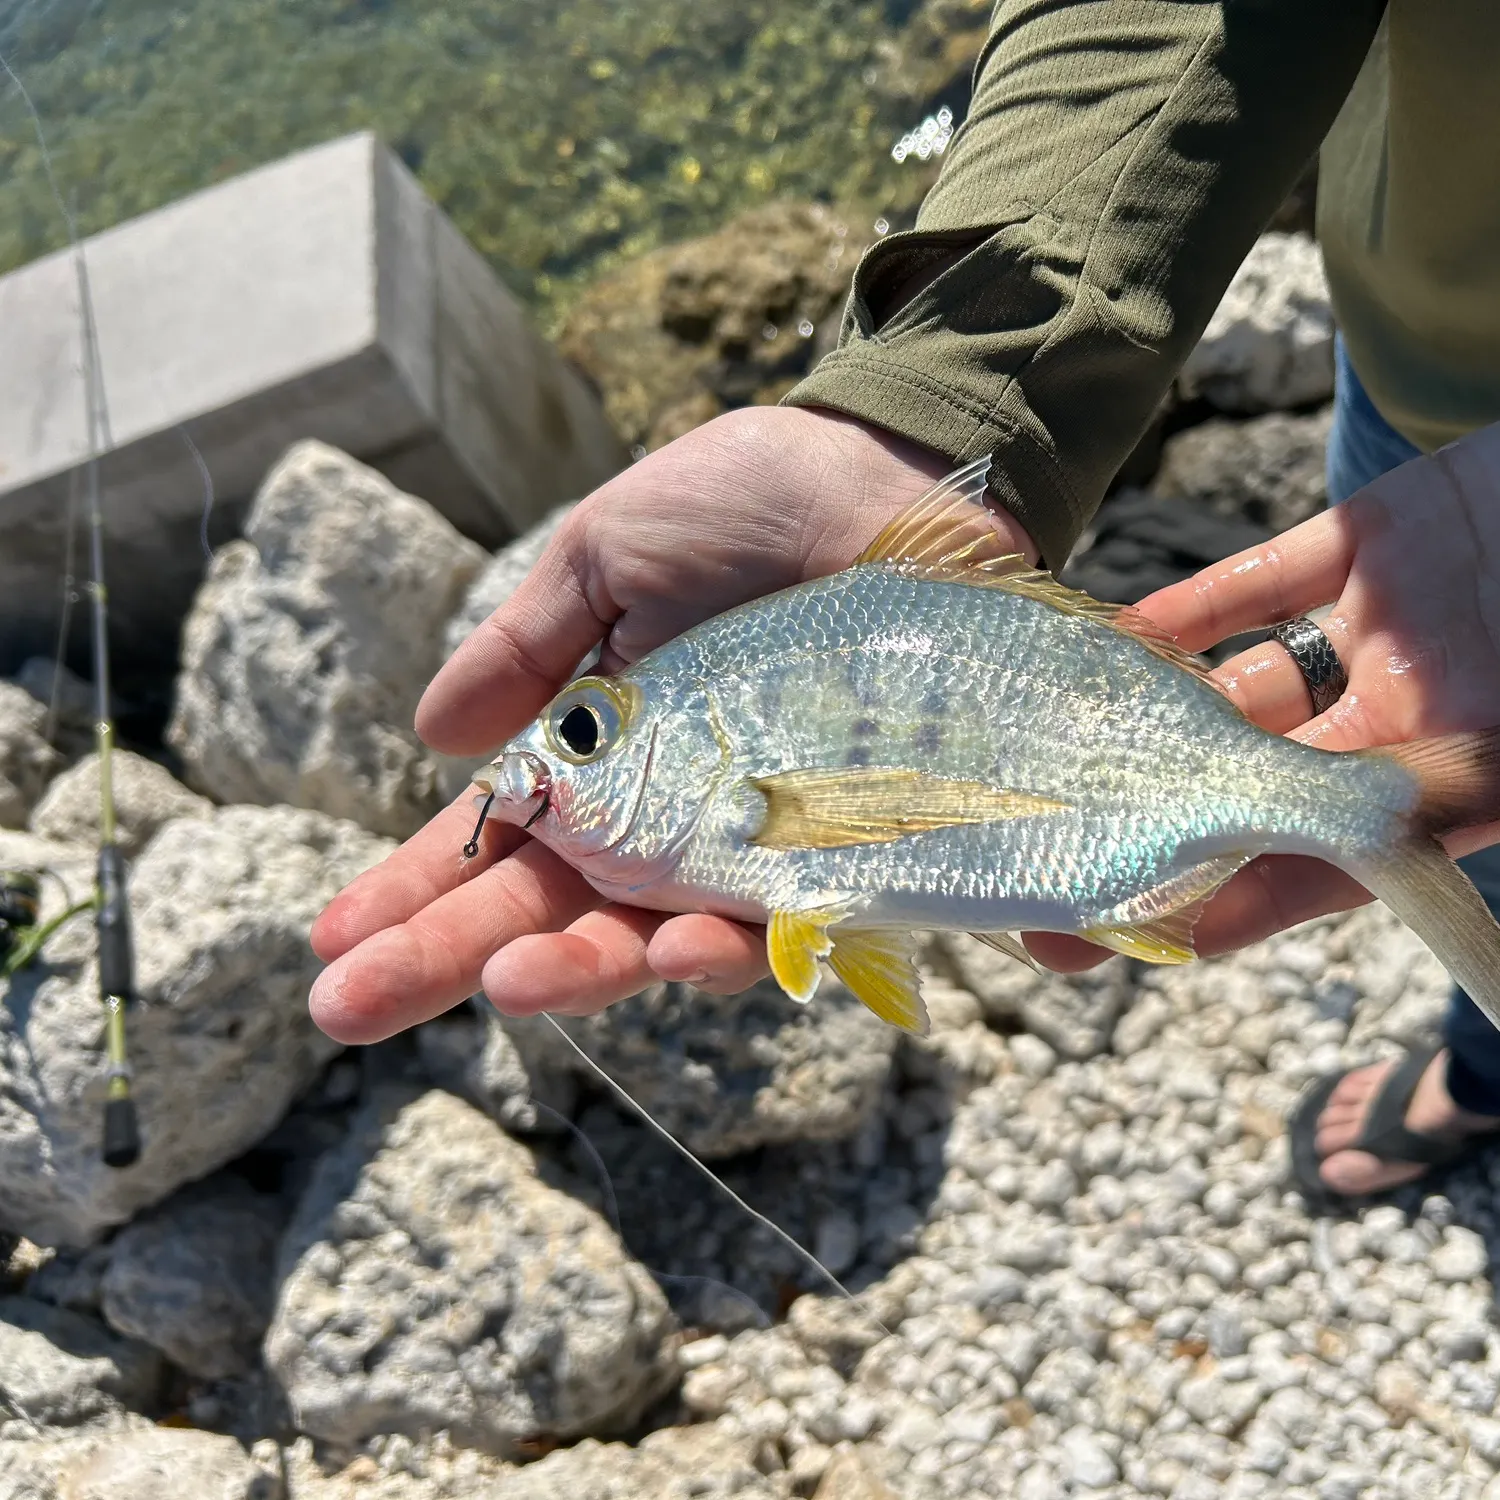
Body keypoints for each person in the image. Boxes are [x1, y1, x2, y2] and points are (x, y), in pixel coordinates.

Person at [309, 3, 1500, 1204]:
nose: (548, 760)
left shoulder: (737, 778)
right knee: (1461, 754)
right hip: (1422, 358)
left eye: (585, 728)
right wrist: (929, 404)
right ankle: (1484, 1052)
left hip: (1436, 407)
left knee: (1458, 770)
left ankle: (1478, 1047)